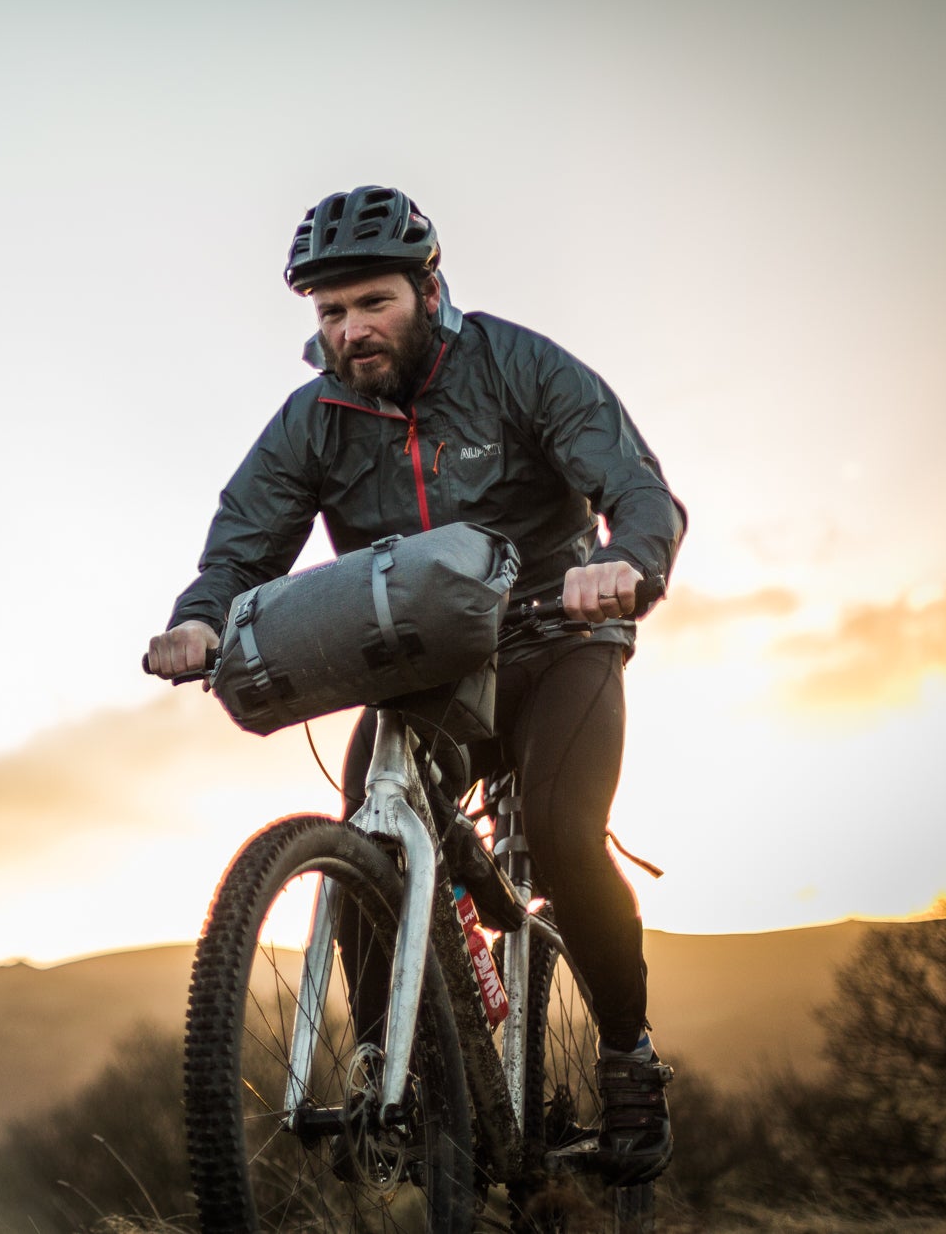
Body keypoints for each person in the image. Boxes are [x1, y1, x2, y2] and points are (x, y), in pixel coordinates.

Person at [145, 184, 685, 1184]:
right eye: (329, 312)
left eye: (371, 302)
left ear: (428, 289)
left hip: (554, 637)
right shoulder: (313, 421)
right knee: (366, 834)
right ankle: (395, 1077)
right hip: (425, 662)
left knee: (565, 834)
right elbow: (241, 540)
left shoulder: (515, 366)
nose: (350, 329)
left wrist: (625, 559)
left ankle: (626, 1060)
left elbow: (635, 486)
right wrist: (197, 619)